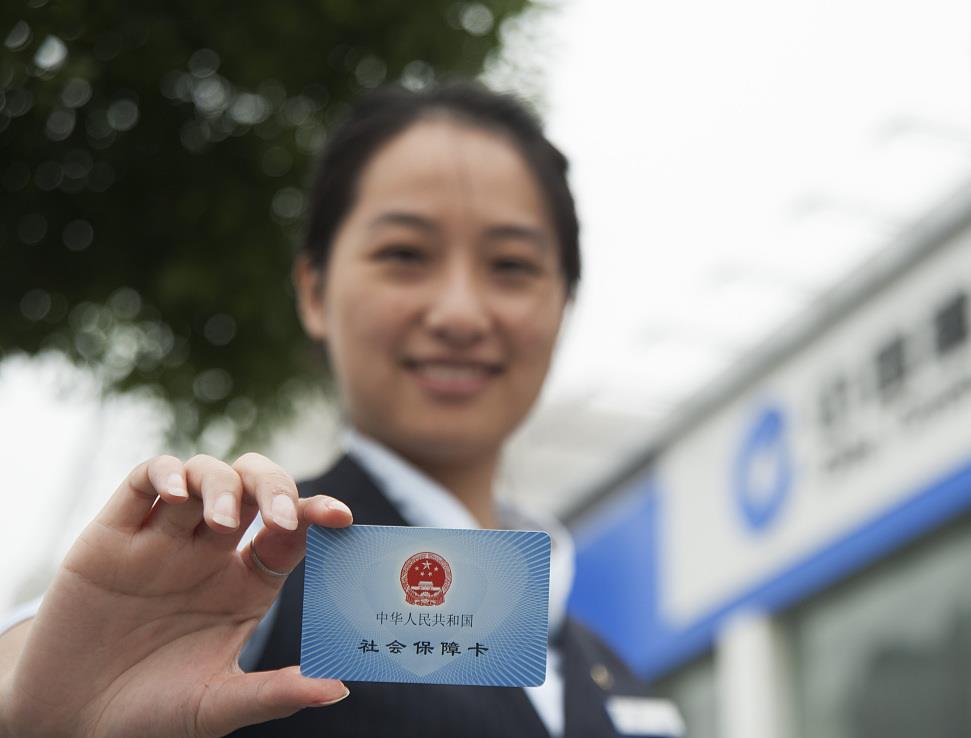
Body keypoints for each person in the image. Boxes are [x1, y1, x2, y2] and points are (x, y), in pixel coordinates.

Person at [0, 82, 659, 737]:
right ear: (315, 291)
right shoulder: (241, 572)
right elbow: (48, 667)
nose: (460, 313)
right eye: (404, 254)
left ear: (565, 301)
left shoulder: (620, 683)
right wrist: (41, 713)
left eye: (512, 265)